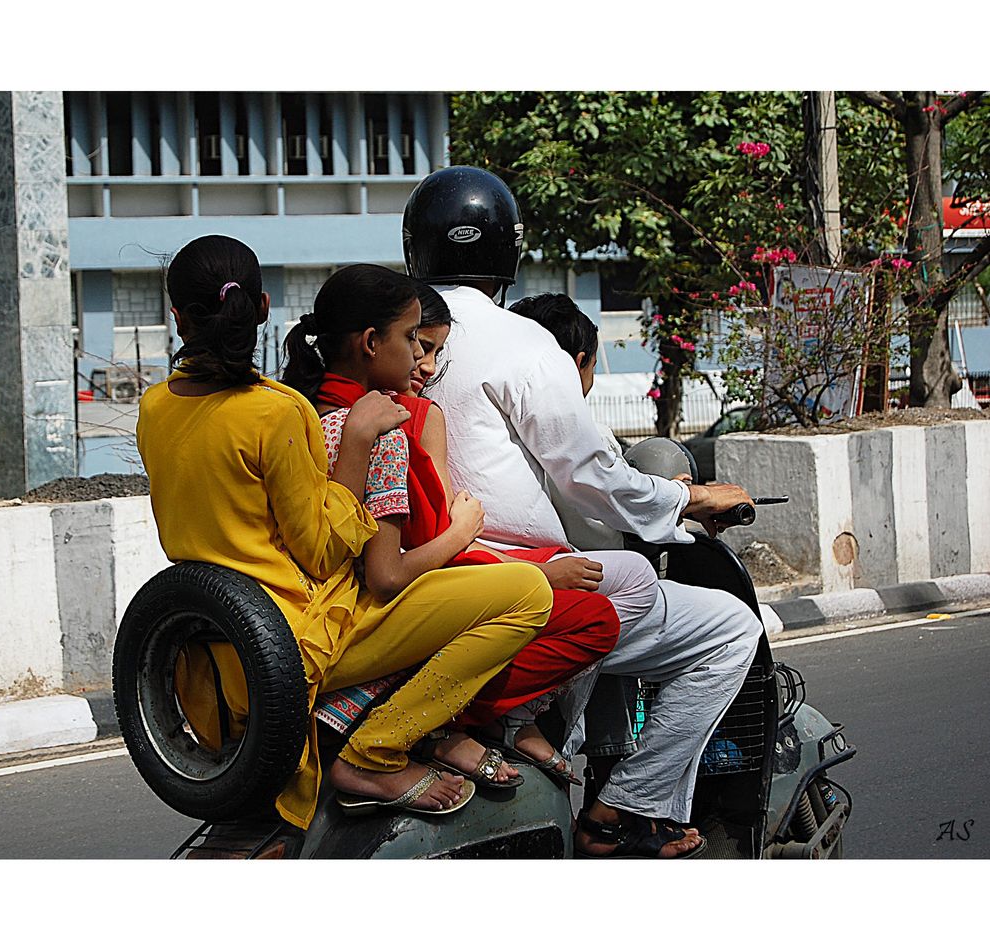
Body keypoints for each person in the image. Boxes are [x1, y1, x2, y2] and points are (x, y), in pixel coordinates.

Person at [403, 167, 763, 859]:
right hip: (518, 583)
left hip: (429, 582)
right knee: (726, 628)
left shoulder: (390, 336)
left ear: (417, 246)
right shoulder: (518, 343)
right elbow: (592, 473)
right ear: (506, 251)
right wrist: (688, 497)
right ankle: (623, 807)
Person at [137, 235, 554, 830]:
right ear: (262, 307)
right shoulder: (277, 411)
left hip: (209, 657)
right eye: (412, 340)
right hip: (301, 644)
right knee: (528, 594)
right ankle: (376, 751)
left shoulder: (154, 408)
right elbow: (322, 550)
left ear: (176, 317)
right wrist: (359, 439)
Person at [281, 265, 621, 786]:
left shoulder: (295, 416)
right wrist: (461, 533)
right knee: (548, 598)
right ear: (372, 343)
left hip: (297, 619)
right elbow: (388, 575)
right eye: (414, 341)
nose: (424, 361)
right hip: (362, 620)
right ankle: (397, 738)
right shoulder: (388, 432)